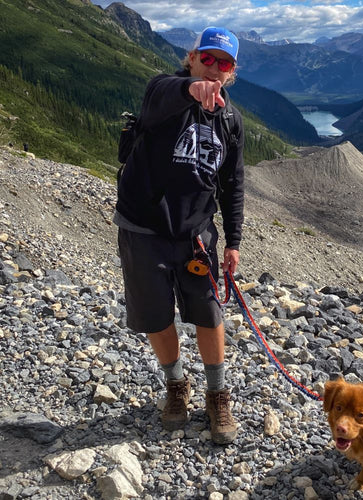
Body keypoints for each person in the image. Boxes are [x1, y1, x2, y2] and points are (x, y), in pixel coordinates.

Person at [114, 27, 244, 444]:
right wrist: (192, 89)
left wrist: (235, 241)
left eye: (223, 64)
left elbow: (232, 184)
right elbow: (161, 95)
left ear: (232, 71)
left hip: (196, 235)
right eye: (207, 58)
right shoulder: (164, 94)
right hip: (143, 229)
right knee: (156, 314)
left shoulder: (230, 120)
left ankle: (216, 393)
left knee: (208, 313)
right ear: (191, 58)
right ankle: (176, 386)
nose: (214, 68)